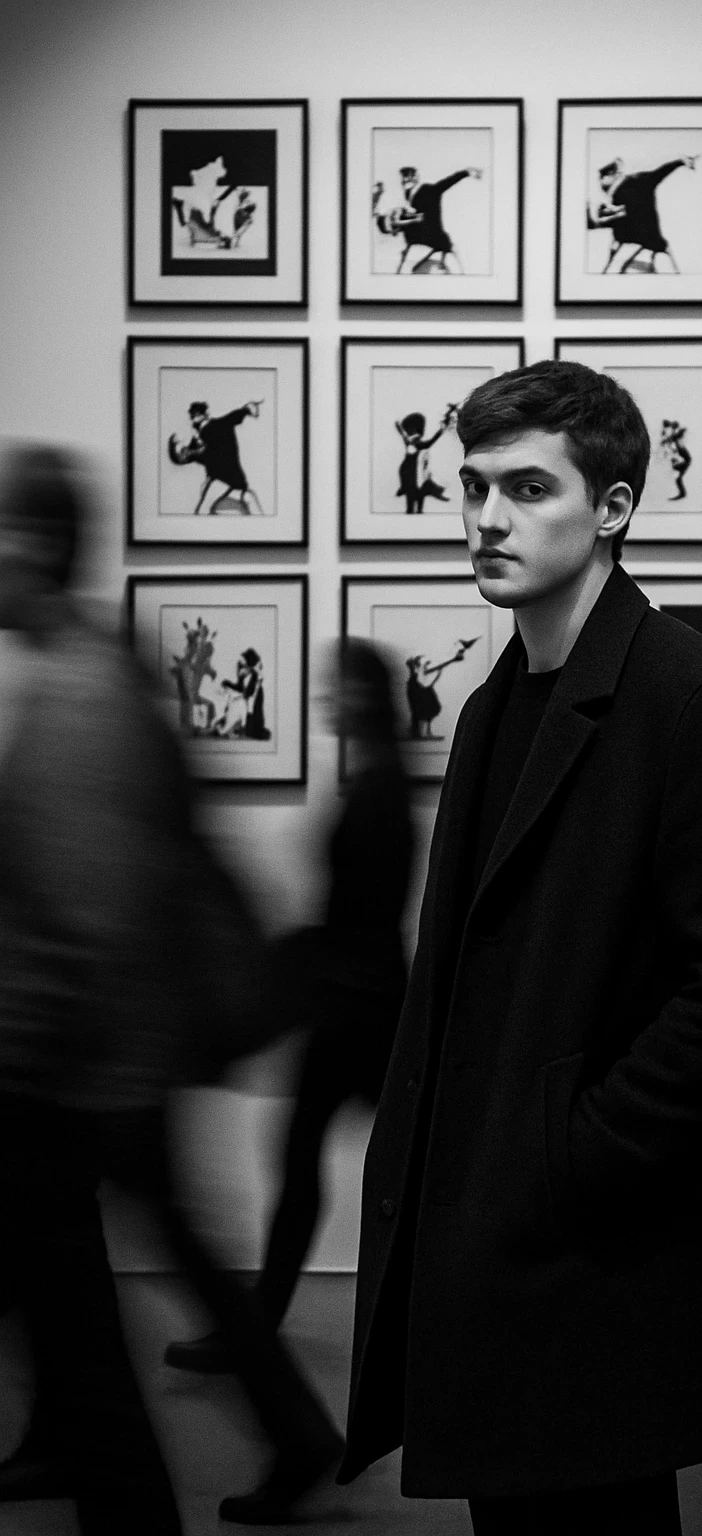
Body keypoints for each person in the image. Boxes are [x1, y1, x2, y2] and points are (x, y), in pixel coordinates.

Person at [337, 359, 702, 1533]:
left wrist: (570, 1151)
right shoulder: (498, 703)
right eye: (473, 487)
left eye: (527, 488)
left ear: (613, 508)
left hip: (593, 1249)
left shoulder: (692, 699)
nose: (487, 518)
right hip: (497, 1242)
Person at [0, 446, 344, 1530]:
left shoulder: (79, 700)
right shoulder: (94, 672)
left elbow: (91, 923)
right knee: (114, 1280)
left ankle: (135, 1475)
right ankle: (257, 1437)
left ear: (32, 546)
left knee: (84, 1295)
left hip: (93, 1072)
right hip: (118, 1059)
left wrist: (29, 1060)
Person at [165, 637, 413, 1365]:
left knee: (317, 1162)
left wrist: (291, 953)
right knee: (361, 1165)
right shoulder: (377, 781)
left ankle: (256, 1329)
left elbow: (360, 919)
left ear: (366, 697)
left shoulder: (380, 792)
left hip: (356, 1011)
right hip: (362, 1005)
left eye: (340, 687)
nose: (328, 698)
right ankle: (261, 1325)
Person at [588, 154, 697, 274]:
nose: (600, 181)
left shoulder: (624, 190)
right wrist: (680, 161)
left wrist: (596, 221)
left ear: (612, 175)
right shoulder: (638, 181)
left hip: (635, 252)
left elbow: (624, 219)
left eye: (602, 176)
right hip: (658, 250)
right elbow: (659, 173)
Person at [168, 398, 265, 517]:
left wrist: (247, 409)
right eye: (192, 416)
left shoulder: (218, 425)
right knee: (203, 510)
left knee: (206, 508)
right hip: (221, 482)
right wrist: (172, 446)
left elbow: (233, 417)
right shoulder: (197, 442)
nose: (193, 419)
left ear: (205, 414)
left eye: (196, 415)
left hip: (233, 483)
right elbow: (181, 459)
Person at [377, 165, 483, 274]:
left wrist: (465, 173)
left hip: (440, 250)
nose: (405, 180)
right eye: (404, 177)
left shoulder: (425, 192)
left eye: (409, 176)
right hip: (432, 251)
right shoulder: (411, 197)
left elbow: (443, 185)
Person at [395, 407, 457, 515]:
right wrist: (441, 430)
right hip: (412, 476)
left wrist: (399, 428)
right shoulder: (414, 443)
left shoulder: (412, 442)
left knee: (414, 502)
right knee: (415, 502)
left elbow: (406, 436)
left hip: (414, 476)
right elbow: (429, 442)